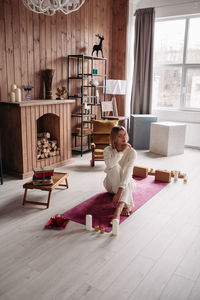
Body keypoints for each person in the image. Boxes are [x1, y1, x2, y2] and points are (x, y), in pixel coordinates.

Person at [103, 125, 137, 223]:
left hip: (125, 184)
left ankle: (119, 209)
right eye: (120, 136)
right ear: (114, 138)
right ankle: (126, 206)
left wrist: (119, 193)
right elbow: (109, 165)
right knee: (114, 167)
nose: (124, 138)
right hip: (110, 184)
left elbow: (128, 172)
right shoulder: (107, 150)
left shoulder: (132, 152)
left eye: (125, 135)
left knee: (129, 181)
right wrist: (122, 152)